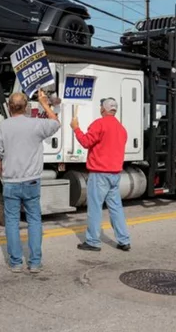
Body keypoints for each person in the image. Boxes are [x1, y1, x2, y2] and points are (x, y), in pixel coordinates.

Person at [0, 89, 60, 273]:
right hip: (32, 182)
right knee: (34, 220)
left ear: (9, 107)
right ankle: (35, 262)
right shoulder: (36, 124)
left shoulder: (2, 127)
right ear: (26, 107)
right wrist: (44, 103)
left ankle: (15, 263)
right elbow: (56, 122)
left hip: (11, 181)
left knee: (12, 222)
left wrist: (2, 172)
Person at [71, 97, 131, 252]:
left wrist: (76, 128)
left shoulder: (99, 124)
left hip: (99, 173)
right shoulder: (122, 129)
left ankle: (92, 241)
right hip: (115, 174)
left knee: (95, 208)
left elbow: (85, 142)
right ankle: (124, 240)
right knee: (116, 208)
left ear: (103, 109)